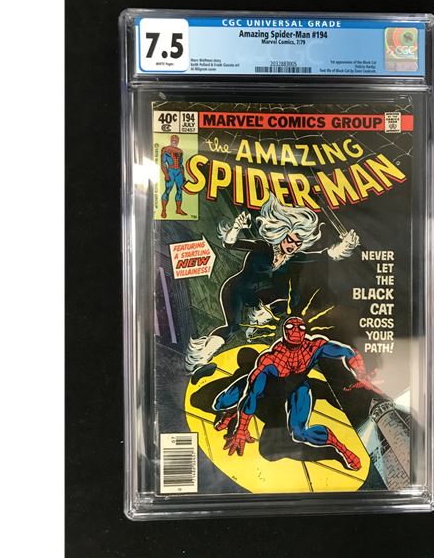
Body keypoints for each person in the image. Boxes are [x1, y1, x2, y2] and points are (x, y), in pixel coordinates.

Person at [185, 194, 359, 372]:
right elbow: (230, 244)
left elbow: (324, 255)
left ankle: (258, 319)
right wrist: (236, 227)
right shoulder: (262, 247)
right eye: (290, 240)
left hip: (259, 296)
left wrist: (345, 246)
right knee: (232, 327)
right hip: (236, 289)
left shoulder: (295, 257)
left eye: (297, 243)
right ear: (281, 234)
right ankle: (201, 360)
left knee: (285, 299)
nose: (292, 245)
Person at [212, 316, 379, 470]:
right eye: (291, 327)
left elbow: (348, 352)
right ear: (285, 332)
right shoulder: (270, 360)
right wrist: (242, 429)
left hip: (298, 388)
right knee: (220, 403)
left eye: (300, 328)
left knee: (299, 433)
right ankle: (231, 412)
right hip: (268, 391)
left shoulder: (313, 347)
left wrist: (361, 373)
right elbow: (252, 395)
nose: (296, 332)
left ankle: (340, 448)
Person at [160, 134, 187, 218]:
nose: (174, 142)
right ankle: (164, 210)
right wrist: (166, 174)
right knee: (167, 190)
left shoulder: (180, 151)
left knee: (180, 191)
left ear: (178, 142)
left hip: (178, 172)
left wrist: (183, 176)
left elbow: (181, 164)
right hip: (170, 172)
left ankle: (178, 209)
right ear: (171, 140)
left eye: (176, 140)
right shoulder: (165, 150)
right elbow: (163, 164)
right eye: (173, 140)